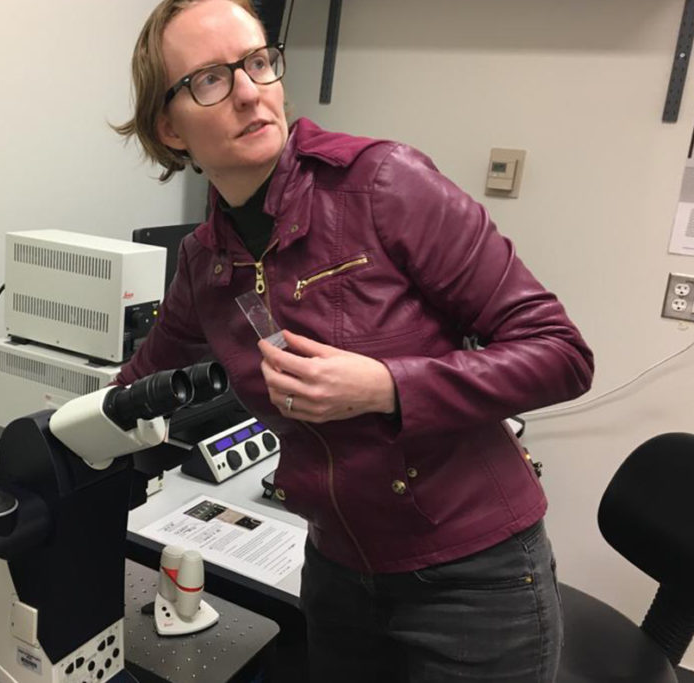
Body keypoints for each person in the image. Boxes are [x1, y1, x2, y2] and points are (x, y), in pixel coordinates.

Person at [113, 1, 594, 681]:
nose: (251, 90)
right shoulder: (204, 262)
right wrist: (43, 441)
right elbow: (139, 380)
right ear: (170, 125)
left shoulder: (383, 184)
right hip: (338, 577)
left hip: (473, 581)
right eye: (211, 79)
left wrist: (387, 386)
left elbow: (562, 352)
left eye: (256, 62)